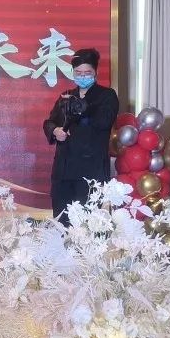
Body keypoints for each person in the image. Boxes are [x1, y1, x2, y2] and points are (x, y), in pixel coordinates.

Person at [42, 48, 119, 226]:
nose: (83, 76)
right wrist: (55, 131)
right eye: (78, 73)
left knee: (85, 226)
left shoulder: (106, 96)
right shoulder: (66, 96)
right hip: (63, 171)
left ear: (95, 72)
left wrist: (81, 108)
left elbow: (104, 122)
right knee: (62, 223)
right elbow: (49, 122)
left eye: (87, 73)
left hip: (90, 172)